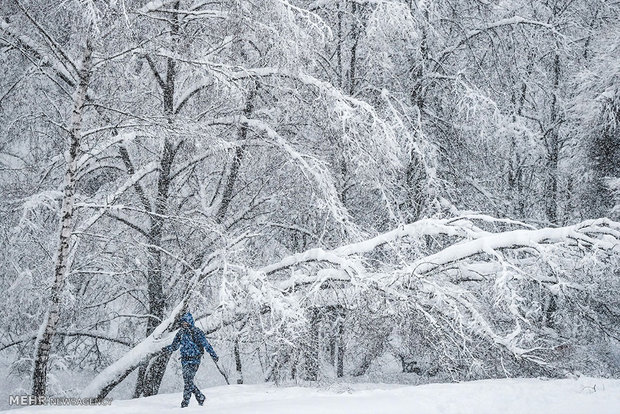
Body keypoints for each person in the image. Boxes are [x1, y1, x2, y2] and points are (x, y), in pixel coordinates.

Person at [162, 312, 218, 408]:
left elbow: (206, 344)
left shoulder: (197, 332)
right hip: (184, 360)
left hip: (195, 360)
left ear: (190, 322)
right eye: (182, 322)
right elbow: (175, 346)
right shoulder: (180, 333)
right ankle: (199, 396)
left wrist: (213, 355)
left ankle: (185, 403)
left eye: (186, 322)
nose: (184, 324)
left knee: (188, 381)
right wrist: (166, 349)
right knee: (188, 381)